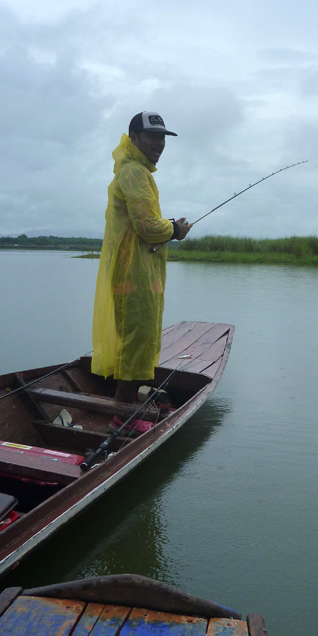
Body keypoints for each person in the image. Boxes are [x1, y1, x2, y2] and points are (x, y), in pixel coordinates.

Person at [91, 112, 191, 417]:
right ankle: (124, 412)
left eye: (162, 138)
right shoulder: (135, 173)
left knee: (138, 338)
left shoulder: (133, 171)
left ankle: (126, 405)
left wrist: (169, 226)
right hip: (133, 273)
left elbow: (141, 223)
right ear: (133, 138)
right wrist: (174, 230)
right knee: (136, 342)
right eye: (152, 137)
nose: (159, 144)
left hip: (136, 270)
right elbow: (148, 226)